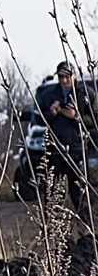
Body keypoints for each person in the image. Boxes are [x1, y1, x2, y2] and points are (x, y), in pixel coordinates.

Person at [37, 62, 87, 209]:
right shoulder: (49, 95)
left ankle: (86, 225)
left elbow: (93, 119)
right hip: (55, 146)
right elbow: (39, 119)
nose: (64, 81)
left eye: (67, 77)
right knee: (51, 189)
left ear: (74, 76)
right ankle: (52, 224)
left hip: (77, 147)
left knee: (78, 189)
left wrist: (75, 116)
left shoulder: (85, 94)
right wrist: (51, 113)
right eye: (61, 77)